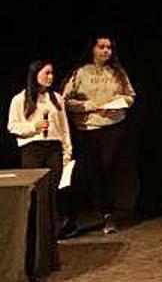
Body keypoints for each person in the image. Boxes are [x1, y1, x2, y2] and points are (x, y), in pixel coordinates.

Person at [62, 36, 135, 235]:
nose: (106, 51)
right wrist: (88, 106)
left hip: (112, 127)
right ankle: (71, 218)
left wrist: (116, 105)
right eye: (101, 47)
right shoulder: (80, 73)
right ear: (92, 49)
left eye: (109, 48)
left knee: (108, 169)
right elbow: (65, 100)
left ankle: (108, 215)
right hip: (87, 128)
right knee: (85, 172)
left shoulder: (118, 73)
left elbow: (130, 96)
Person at [8, 60, 72, 268]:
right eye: (47, 73)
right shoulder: (21, 99)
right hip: (32, 149)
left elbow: (64, 129)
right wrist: (33, 126)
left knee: (50, 197)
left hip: (53, 149)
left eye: (52, 73)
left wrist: (67, 151)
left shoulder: (57, 99)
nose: (50, 77)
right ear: (35, 74)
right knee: (36, 198)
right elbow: (13, 126)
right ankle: (33, 247)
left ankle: (50, 247)